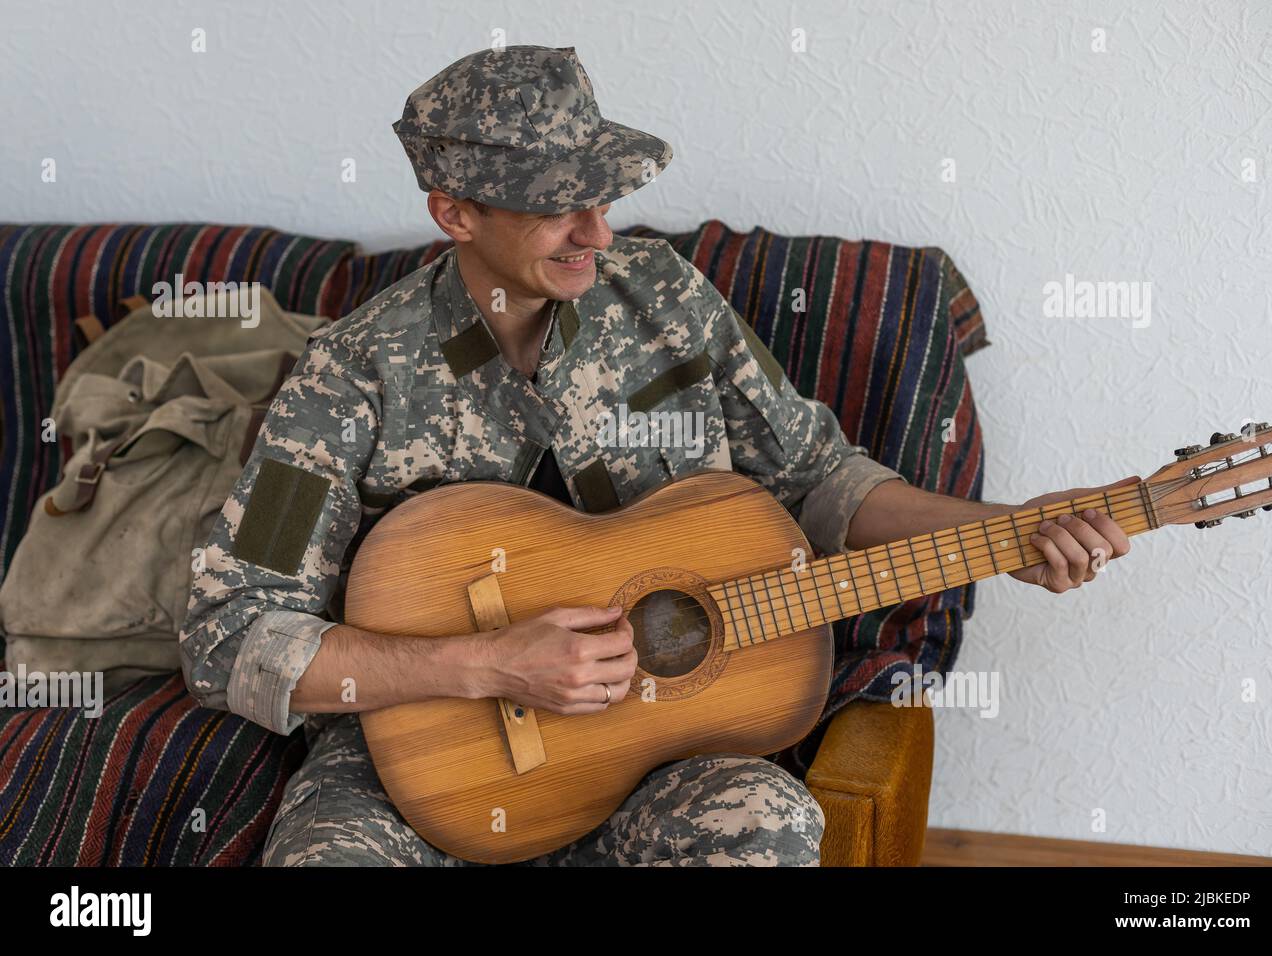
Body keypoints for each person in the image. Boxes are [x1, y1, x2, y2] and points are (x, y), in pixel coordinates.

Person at [180, 45, 1131, 867]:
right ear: (454, 212)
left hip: (656, 764)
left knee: (769, 824)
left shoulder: (667, 295)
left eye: (601, 195)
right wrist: (493, 666)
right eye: (557, 208)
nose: (596, 231)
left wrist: (1013, 531)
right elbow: (230, 636)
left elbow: (818, 479)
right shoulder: (349, 375)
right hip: (426, 774)